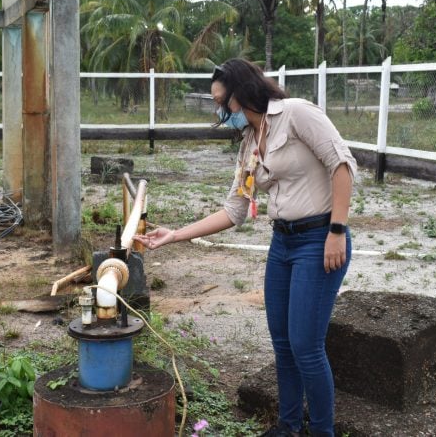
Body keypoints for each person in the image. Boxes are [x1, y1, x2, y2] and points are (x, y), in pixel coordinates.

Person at [134, 58, 356, 437]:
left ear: (243, 92)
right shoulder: (250, 142)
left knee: (306, 346)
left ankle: (322, 432)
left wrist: (336, 230)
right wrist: (176, 235)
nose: (222, 111)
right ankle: (287, 427)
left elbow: (342, 165)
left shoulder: (297, 114)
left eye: (224, 102)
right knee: (283, 344)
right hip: (283, 243)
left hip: (319, 238)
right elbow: (234, 209)